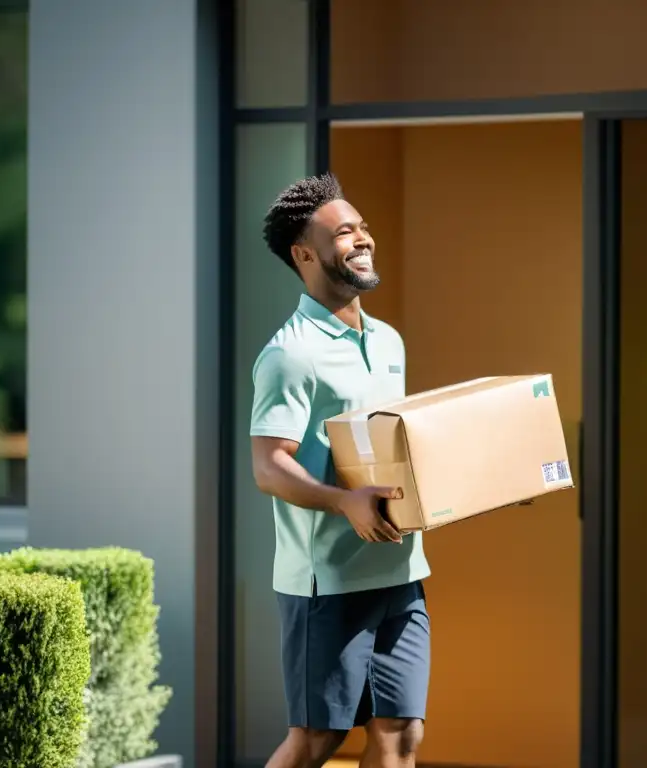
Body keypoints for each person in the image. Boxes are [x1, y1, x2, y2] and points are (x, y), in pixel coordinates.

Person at [251, 173, 431, 768]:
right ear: (305, 254)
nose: (363, 240)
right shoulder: (289, 353)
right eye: (344, 233)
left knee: (401, 732)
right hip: (326, 584)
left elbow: (392, 445)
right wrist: (344, 502)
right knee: (317, 741)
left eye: (363, 228)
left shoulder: (388, 341)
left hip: (399, 570)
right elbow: (269, 468)